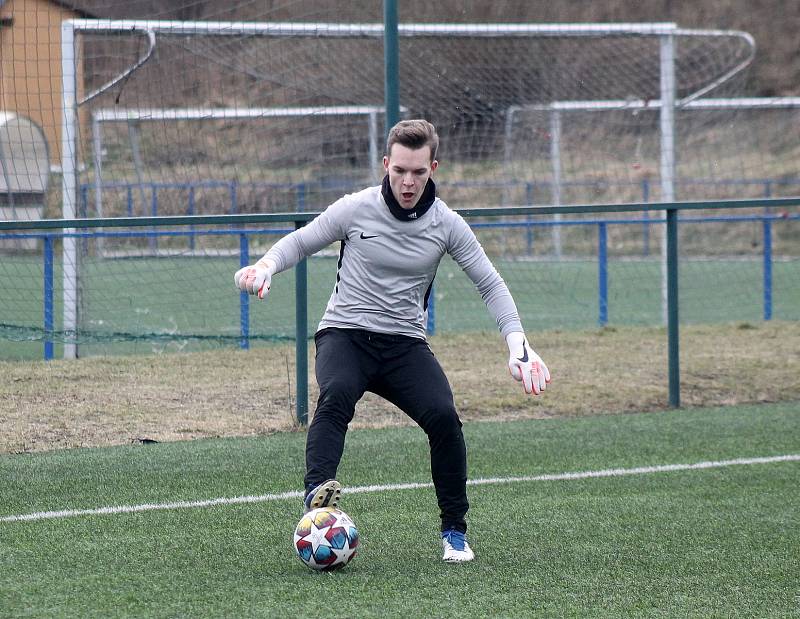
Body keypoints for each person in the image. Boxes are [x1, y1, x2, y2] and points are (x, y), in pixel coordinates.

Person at [235, 119, 550, 563]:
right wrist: (265, 267)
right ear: (386, 163)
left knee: (443, 416)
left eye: (418, 172)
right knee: (338, 391)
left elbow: (490, 284)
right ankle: (318, 498)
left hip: (404, 344)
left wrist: (517, 343)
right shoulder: (356, 208)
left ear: (433, 168)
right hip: (346, 333)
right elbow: (302, 242)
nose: (407, 181)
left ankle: (454, 532)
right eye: (400, 169)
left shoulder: (447, 224)